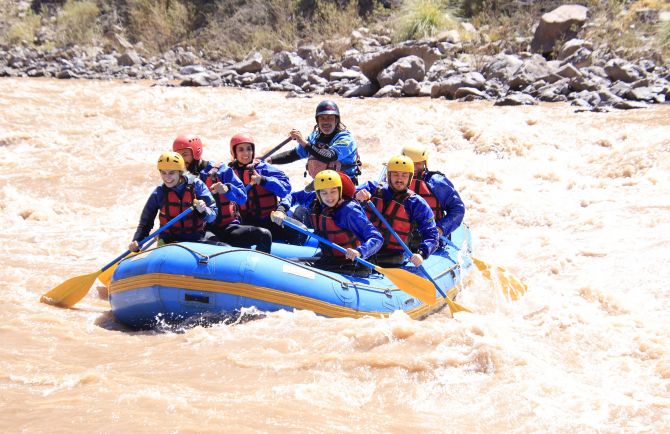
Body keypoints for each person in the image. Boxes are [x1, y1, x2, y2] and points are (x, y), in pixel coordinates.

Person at [172, 134, 272, 253]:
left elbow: (242, 197)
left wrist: (227, 189)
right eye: (178, 156)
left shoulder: (221, 170)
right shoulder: (176, 178)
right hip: (202, 232)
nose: (182, 160)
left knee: (264, 235)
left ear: (196, 153)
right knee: (224, 249)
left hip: (227, 228)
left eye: (185, 155)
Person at [270, 170, 383, 274]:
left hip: (351, 263)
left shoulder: (349, 211)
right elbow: (293, 196)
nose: (329, 197)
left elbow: (376, 238)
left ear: (340, 191)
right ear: (318, 194)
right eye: (324, 193)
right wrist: (281, 210)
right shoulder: (314, 199)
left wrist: (360, 252)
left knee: (293, 270)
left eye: (333, 191)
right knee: (288, 265)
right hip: (329, 259)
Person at [355, 155, 439, 268]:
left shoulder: (416, 203)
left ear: (410, 178)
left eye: (404, 175)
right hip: (365, 247)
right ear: (388, 176)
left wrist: (422, 254)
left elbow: (431, 234)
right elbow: (345, 196)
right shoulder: (372, 188)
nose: (399, 179)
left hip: (392, 256)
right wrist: (357, 195)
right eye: (395, 174)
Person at [128, 151, 218, 252]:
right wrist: (137, 240)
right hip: (169, 241)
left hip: (196, 238)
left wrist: (204, 210)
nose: (167, 177)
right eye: (163, 173)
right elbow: (145, 223)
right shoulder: (159, 193)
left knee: (222, 246)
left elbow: (213, 215)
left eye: (171, 173)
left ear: (180, 172)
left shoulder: (197, 185)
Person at [267, 100, 362, 187]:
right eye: (322, 118)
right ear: (317, 121)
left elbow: (329, 156)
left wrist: (303, 142)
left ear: (336, 120)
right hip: (322, 183)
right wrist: (269, 160)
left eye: (330, 118)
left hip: (344, 184)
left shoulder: (346, 138)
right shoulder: (314, 137)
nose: (326, 121)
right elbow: (293, 155)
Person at [228, 133, 298, 244]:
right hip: (246, 223)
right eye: (241, 150)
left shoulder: (263, 168)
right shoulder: (228, 172)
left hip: (271, 220)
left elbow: (286, 189)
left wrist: (263, 180)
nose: (246, 153)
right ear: (234, 152)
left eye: (249, 149)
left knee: (299, 232)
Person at [401, 144, 465, 239]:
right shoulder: (392, 181)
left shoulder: (437, 182)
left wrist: (441, 228)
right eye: (410, 164)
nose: (413, 168)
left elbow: (457, 209)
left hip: (430, 237)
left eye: (418, 163)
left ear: (425, 163)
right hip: (399, 236)